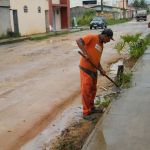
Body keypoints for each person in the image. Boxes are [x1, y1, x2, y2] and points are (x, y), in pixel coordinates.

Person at [76, 28, 114, 120]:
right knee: (86, 90)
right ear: (105, 36)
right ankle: (86, 113)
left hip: (94, 69)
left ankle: (91, 108)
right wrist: (85, 53)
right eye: (109, 39)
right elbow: (78, 41)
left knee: (93, 90)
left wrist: (101, 69)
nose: (109, 41)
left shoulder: (101, 46)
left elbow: (97, 60)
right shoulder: (92, 37)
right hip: (86, 68)